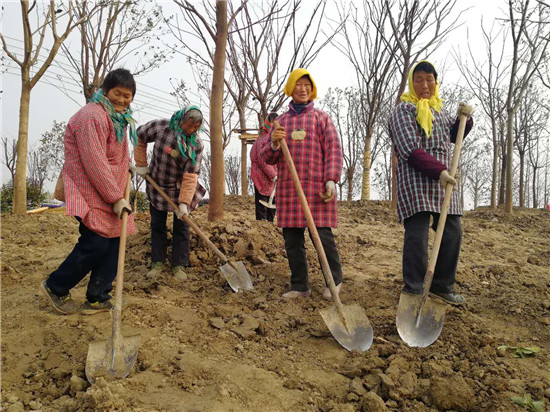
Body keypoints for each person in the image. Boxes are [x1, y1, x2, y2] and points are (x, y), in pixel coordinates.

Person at [40, 68, 137, 315]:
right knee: (95, 244)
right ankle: (55, 286)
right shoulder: (92, 116)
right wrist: (115, 198)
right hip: (89, 189)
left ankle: (97, 296)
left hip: (111, 190)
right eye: (118, 93)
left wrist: (127, 165)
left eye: (128, 95)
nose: (122, 99)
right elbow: (94, 161)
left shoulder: (119, 118)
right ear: (106, 90)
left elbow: (115, 154)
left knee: (115, 242)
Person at [388, 60, 474, 305]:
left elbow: (453, 136)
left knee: (452, 230)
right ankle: (414, 288)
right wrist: (439, 172)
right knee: (417, 233)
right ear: (412, 84)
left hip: (443, 180)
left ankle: (441, 285)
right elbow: (410, 149)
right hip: (416, 178)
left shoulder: (440, 110)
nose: (425, 85)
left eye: (429, 79)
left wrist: (465, 119)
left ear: (436, 82)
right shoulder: (403, 110)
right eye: (419, 80)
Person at [260, 68, 344, 300]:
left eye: (307, 85)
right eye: (298, 85)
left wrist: (331, 179)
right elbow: (267, 157)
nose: (303, 89)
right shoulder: (281, 123)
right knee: (292, 239)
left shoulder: (321, 118)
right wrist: (275, 144)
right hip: (290, 190)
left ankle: (334, 281)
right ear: (291, 89)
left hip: (317, 189)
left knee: (323, 237)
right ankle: (299, 285)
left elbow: (334, 150)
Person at [132, 105, 206, 281]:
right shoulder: (161, 127)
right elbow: (139, 136)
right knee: (157, 225)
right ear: (181, 120)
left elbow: (190, 175)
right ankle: (157, 262)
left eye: (196, 127)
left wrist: (184, 203)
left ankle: (179, 265)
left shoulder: (196, 144)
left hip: (180, 188)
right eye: (190, 125)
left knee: (182, 226)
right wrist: (141, 164)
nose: (192, 130)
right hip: (156, 184)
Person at [250, 112, 278, 222]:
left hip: (273, 179)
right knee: (262, 205)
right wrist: (273, 175)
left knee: (272, 205)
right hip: (261, 177)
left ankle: (269, 227)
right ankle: (262, 225)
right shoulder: (262, 139)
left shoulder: (277, 138)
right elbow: (262, 161)